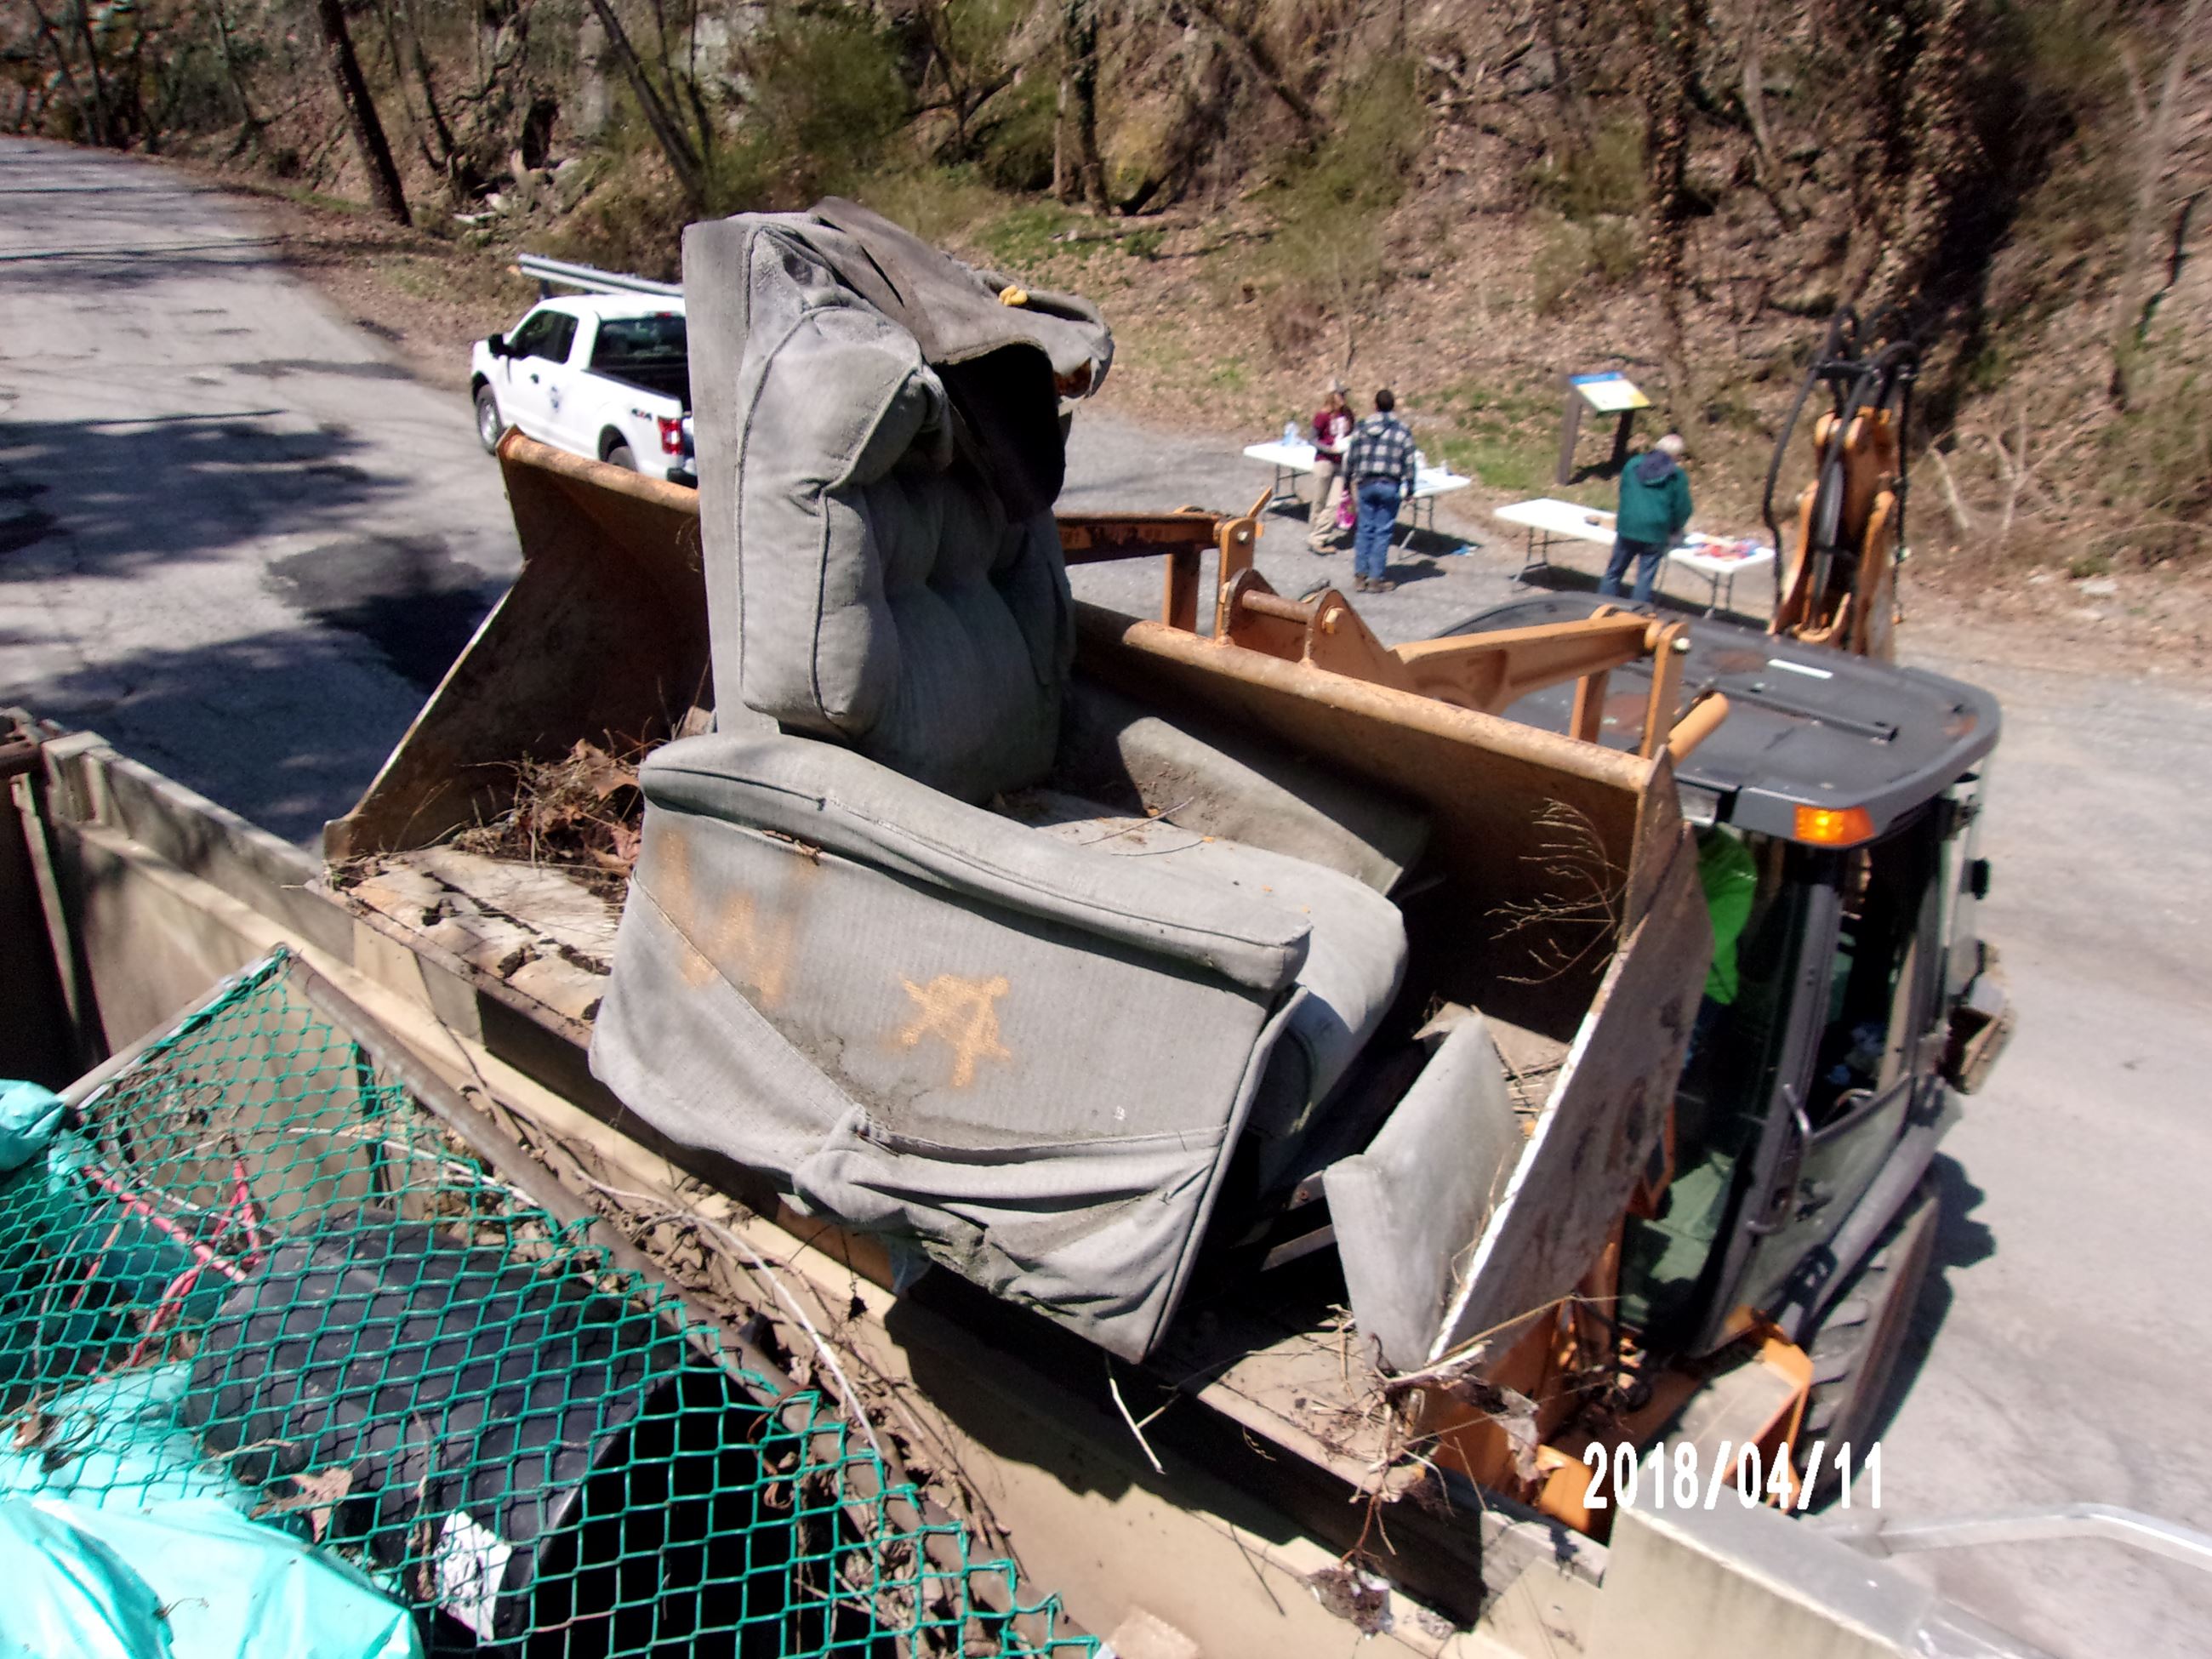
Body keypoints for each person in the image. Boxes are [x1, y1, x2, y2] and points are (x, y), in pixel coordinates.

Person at [1599, 432, 1692, 605]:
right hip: (1655, 532)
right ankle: (1636, 617)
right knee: (1644, 578)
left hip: (1628, 526)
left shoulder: (1633, 464)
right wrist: (1674, 528)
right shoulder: (1676, 475)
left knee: (1614, 572)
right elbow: (1682, 508)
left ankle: (1601, 607)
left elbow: (1624, 492)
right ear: (1676, 455)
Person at [1342, 388, 1417, 593]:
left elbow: (1351, 457)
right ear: (1393, 406)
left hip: (1365, 484)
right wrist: (1410, 488)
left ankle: (1360, 575)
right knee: (1382, 531)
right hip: (1389, 484)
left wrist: (1346, 482)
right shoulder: (1402, 430)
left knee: (1364, 529)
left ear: (1375, 405)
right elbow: (1409, 462)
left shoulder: (1362, 427)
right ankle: (1376, 579)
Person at [1307, 379, 1354, 554]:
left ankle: (1317, 538)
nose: (1343, 398)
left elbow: (1352, 433)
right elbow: (1311, 438)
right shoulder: (1322, 416)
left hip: (1341, 462)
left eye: (1344, 394)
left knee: (1334, 504)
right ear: (1332, 396)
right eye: (1340, 394)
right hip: (1324, 461)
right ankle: (1316, 536)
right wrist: (1328, 448)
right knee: (1319, 501)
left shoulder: (1348, 414)